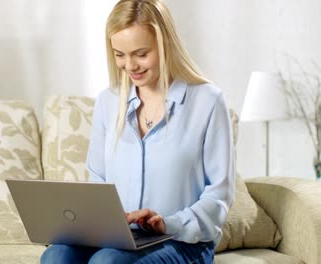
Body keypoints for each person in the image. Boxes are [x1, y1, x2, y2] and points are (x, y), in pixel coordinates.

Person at [41, 0, 235, 263]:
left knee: (107, 261)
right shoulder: (109, 102)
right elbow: (98, 177)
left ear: (166, 44)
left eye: (141, 54)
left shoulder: (208, 101)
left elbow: (219, 195)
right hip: (119, 237)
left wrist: (168, 223)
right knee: (56, 255)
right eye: (120, 55)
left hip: (182, 240)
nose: (130, 65)